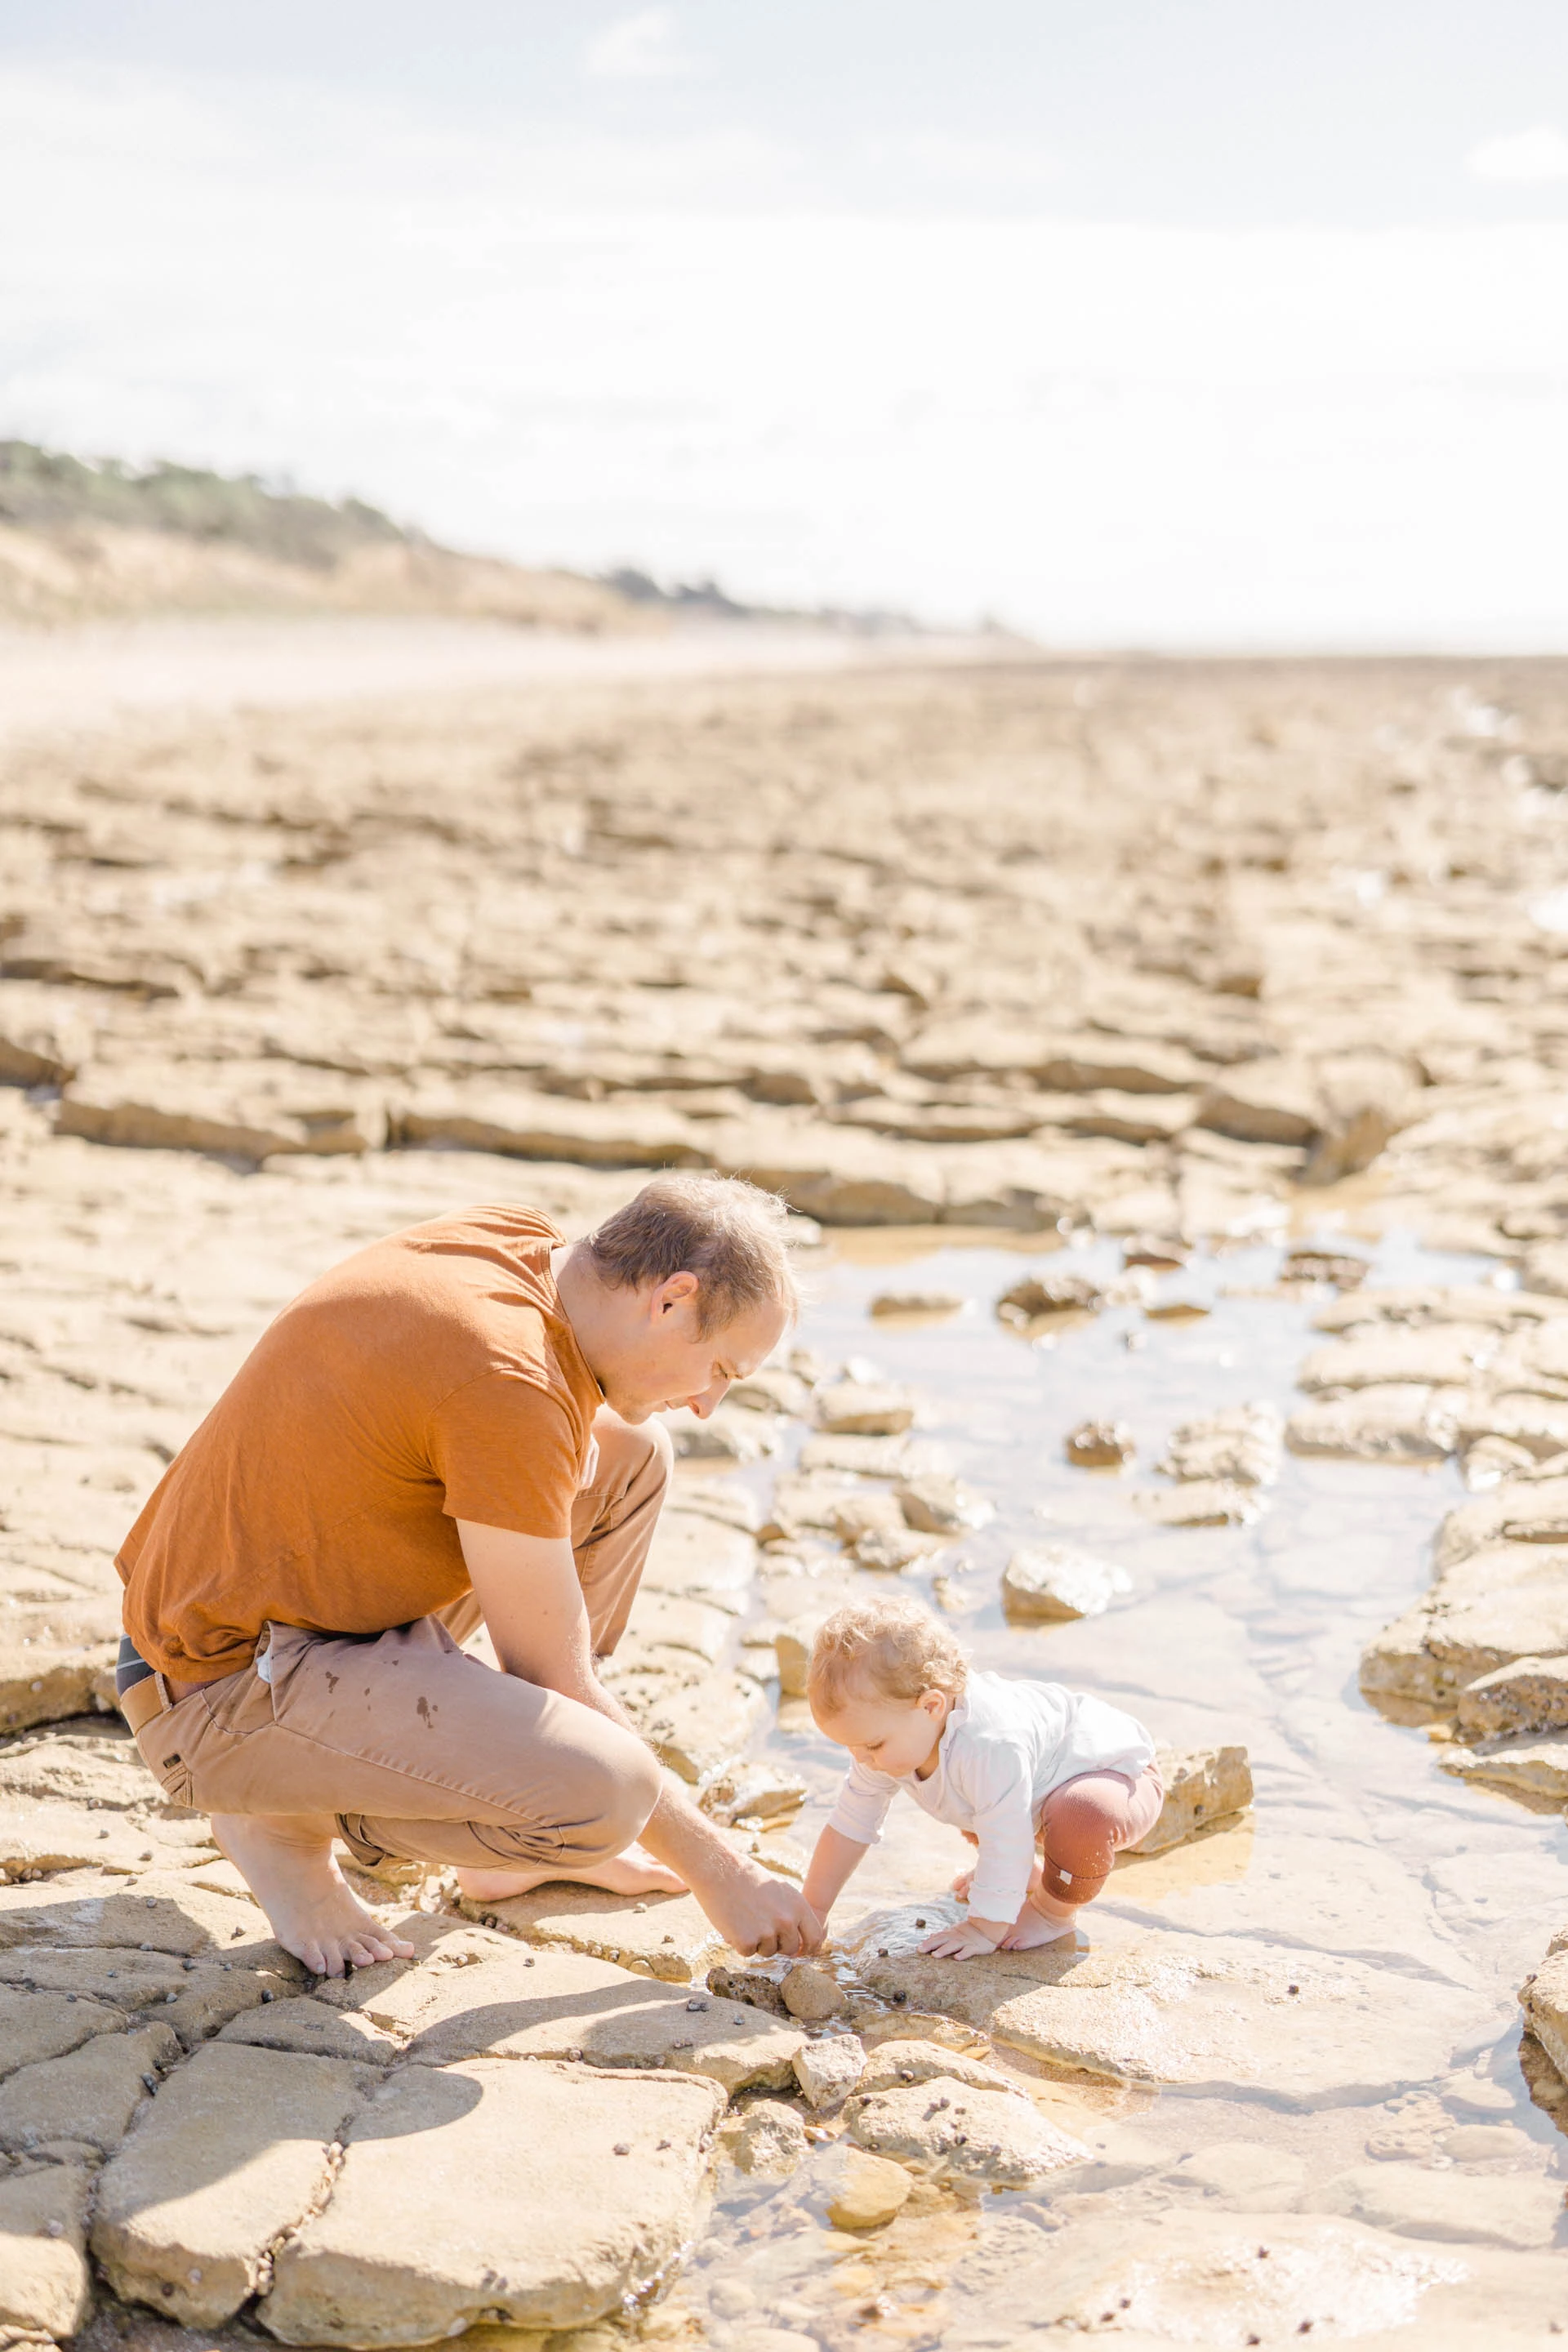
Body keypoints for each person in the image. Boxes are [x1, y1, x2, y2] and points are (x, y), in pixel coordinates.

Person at [114, 1173, 822, 1976]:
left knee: (631, 1456)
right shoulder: (509, 1382)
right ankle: (282, 1821)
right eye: (723, 1369)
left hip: (291, 1619)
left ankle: (507, 1832)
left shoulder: (517, 1246)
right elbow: (552, 1675)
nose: (708, 1404)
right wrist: (724, 1876)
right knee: (610, 1793)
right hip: (215, 1691)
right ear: (671, 1300)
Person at [799, 1594, 1161, 1957]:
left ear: (931, 1706)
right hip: (1033, 1789)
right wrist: (814, 1907)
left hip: (1116, 1775)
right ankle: (1029, 1875)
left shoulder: (988, 1743)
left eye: (872, 1746)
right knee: (981, 1803)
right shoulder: (892, 1735)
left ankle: (1053, 1912)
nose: (862, 1759)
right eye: (851, 1747)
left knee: (1082, 1814)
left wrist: (983, 1927)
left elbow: (1006, 1836)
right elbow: (850, 1825)